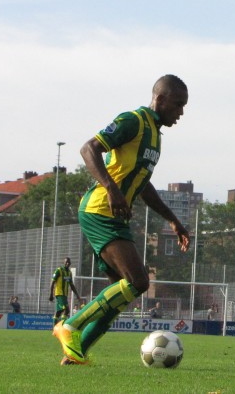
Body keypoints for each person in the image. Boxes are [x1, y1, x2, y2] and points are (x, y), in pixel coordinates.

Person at [52, 74, 191, 366]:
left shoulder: (155, 136)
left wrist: (173, 220)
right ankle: (70, 326)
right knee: (138, 281)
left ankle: (75, 355)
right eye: (178, 105)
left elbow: (144, 186)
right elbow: (89, 148)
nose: (181, 113)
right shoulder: (134, 121)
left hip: (113, 216)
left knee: (117, 300)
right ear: (161, 98)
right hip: (100, 209)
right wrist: (111, 188)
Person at [49, 257, 82, 325]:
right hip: (59, 293)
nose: (67, 263)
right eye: (66, 262)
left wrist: (77, 295)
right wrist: (51, 294)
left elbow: (71, 285)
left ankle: (55, 328)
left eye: (68, 262)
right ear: (64, 262)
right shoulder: (59, 270)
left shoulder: (69, 273)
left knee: (59, 311)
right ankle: (62, 327)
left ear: (70, 263)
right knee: (67, 310)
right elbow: (52, 282)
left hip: (65, 295)